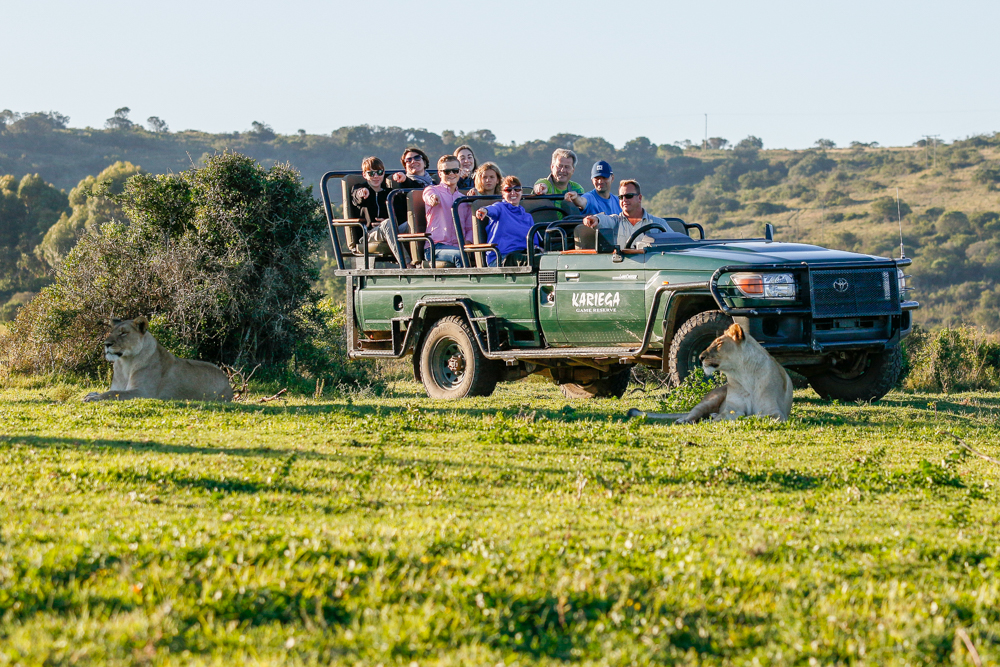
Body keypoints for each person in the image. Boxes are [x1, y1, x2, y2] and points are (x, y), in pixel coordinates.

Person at [582, 179, 689, 248]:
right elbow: (605, 220)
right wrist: (595, 219)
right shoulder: (615, 221)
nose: (624, 200)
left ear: (640, 198)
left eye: (629, 196)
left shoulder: (658, 223)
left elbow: (676, 246)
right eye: (621, 197)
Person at [423, 155, 473, 266]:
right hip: (435, 246)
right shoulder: (432, 190)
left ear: (459, 172)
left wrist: (468, 243)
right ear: (440, 174)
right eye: (447, 171)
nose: (451, 174)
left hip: (459, 246)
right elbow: (429, 196)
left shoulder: (463, 199)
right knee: (460, 255)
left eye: (455, 170)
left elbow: (470, 227)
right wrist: (433, 199)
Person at [476, 176, 537, 266]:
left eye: (517, 189)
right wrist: (484, 210)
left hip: (523, 254)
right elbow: (492, 209)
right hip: (500, 258)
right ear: (503, 194)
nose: (513, 193)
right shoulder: (500, 208)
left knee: (542, 259)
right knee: (528, 261)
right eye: (508, 190)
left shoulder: (527, 217)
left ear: (521, 192)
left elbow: (534, 241)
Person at [351, 156, 392, 223]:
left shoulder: (389, 193)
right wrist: (361, 193)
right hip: (370, 230)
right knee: (388, 224)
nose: (376, 176)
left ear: (383, 173)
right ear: (364, 175)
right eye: (371, 173)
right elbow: (357, 197)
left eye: (379, 172)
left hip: (390, 227)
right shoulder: (358, 188)